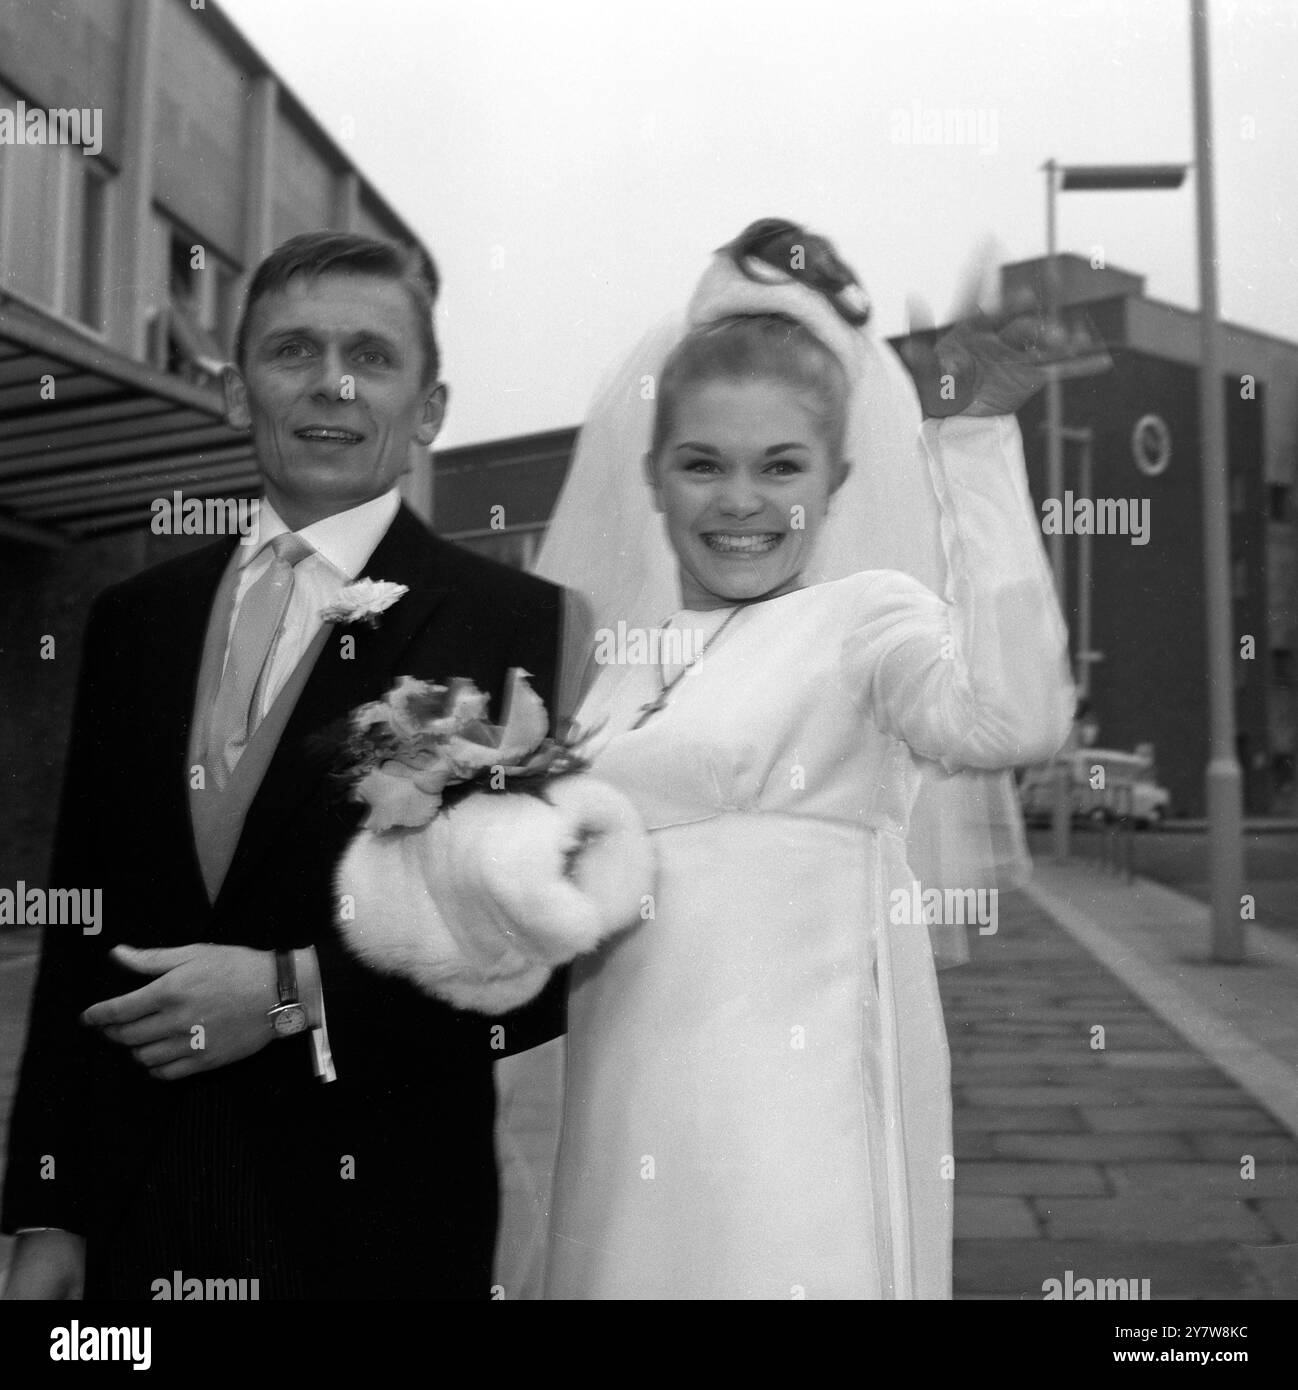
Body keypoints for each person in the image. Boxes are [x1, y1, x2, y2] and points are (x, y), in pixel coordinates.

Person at [1, 231, 564, 1300]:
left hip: (375, 1222)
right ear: (233, 389)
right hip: (141, 1208)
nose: (332, 384)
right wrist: (49, 1207)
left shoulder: (518, 624)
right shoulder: (133, 620)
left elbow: (541, 961)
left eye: (371, 354)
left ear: (431, 410)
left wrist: (287, 993)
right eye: (293, 350)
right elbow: (80, 927)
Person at [521, 217, 1076, 1299]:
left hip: (799, 1114)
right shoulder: (610, 672)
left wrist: (972, 446)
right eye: (701, 465)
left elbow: (1013, 722)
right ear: (650, 476)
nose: (739, 501)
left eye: (780, 466)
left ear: (835, 478)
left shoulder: (867, 621)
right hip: (623, 1103)